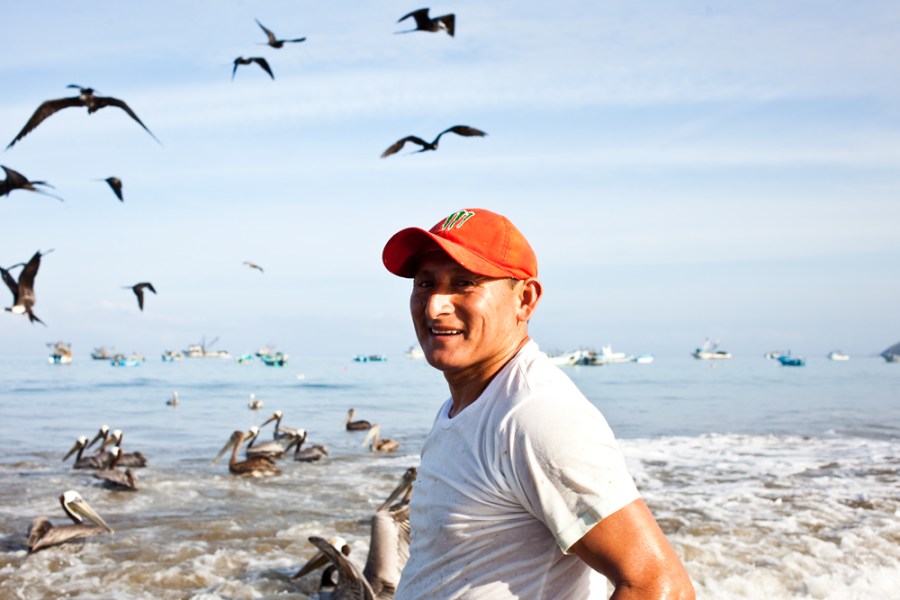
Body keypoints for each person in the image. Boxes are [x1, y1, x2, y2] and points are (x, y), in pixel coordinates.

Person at [382, 208, 695, 599]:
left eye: (464, 283)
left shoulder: (535, 415)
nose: (434, 306)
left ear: (524, 300)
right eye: (425, 283)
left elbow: (658, 585)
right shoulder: (470, 404)